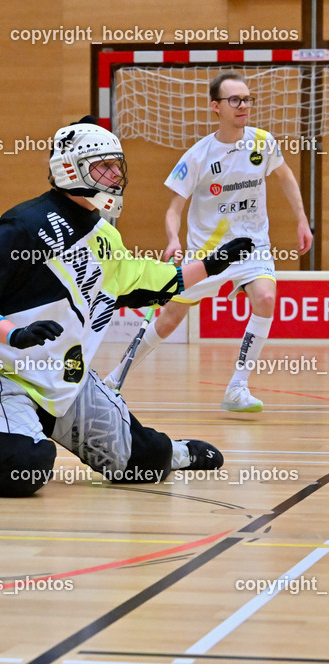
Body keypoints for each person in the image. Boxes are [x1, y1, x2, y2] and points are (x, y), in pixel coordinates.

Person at [0, 116, 254, 497]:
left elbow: (145, 283)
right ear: (70, 169)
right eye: (102, 167)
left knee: (141, 466)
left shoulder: (104, 233)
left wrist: (213, 264)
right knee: (21, 471)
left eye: (116, 166)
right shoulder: (23, 225)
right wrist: (14, 334)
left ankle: (175, 452)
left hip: (65, 381)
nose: (114, 176)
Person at [103, 72, 312, 412]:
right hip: (208, 255)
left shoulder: (262, 142)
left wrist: (302, 219)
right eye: (235, 100)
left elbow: (286, 179)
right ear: (216, 107)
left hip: (251, 246)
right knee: (168, 320)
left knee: (266, 297)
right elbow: (174, 208)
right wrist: (173, 239)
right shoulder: (198, 155)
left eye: (246, 99)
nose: (243, 105)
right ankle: (113, 379)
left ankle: (237, 388)